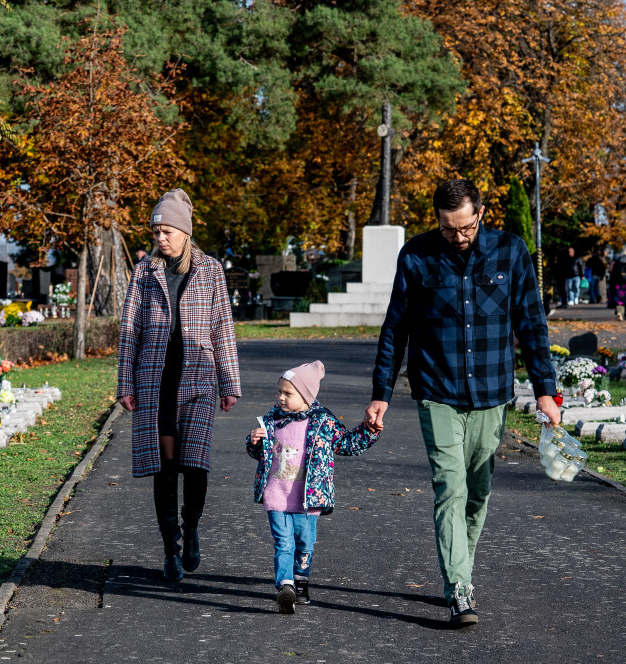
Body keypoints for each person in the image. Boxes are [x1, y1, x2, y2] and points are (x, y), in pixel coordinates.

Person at [364, 178, 560, 628]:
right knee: (449, 487)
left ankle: (461, 570)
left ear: (481, 213)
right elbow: (395, 329)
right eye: (449, 229)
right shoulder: (417, 255)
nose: (459, 237)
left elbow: (531, 325)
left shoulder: (511, 252)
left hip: (492, 393)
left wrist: (546, 390)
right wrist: (381, 392)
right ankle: (459, 588)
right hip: (437, 391)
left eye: (466, 228)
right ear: (437, 220)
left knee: (478, 492)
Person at [117, 188, 241, 582]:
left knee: (196, 464)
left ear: (185, 232)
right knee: (165, 467)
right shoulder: (144, 271)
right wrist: (125, 382)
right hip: (156, 382)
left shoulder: (210, 270)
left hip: (200, 379)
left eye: (167, 230)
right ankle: (170, 547)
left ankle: (191, 531)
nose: (160, 238)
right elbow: (129, 330)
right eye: (155, 231)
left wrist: (229, 382)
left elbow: (222, 327)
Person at [247, 361, 379, 614]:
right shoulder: (271, 420)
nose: (281, 398)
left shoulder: (323, 422)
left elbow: (348, 444)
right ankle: (284, 586)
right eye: (280, 392)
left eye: (288, 393)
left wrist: (369, 431)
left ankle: (300, 581)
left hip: (309, 498)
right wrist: (253, 442)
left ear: (306, 396)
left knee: (305, 543)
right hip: (277, 493)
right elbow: (259, 453)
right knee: (283, 543)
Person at [609, 246, 626, 321]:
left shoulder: (617, 261)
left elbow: (611, 272)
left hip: (618, 284)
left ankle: (620, 312)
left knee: (620, 300)